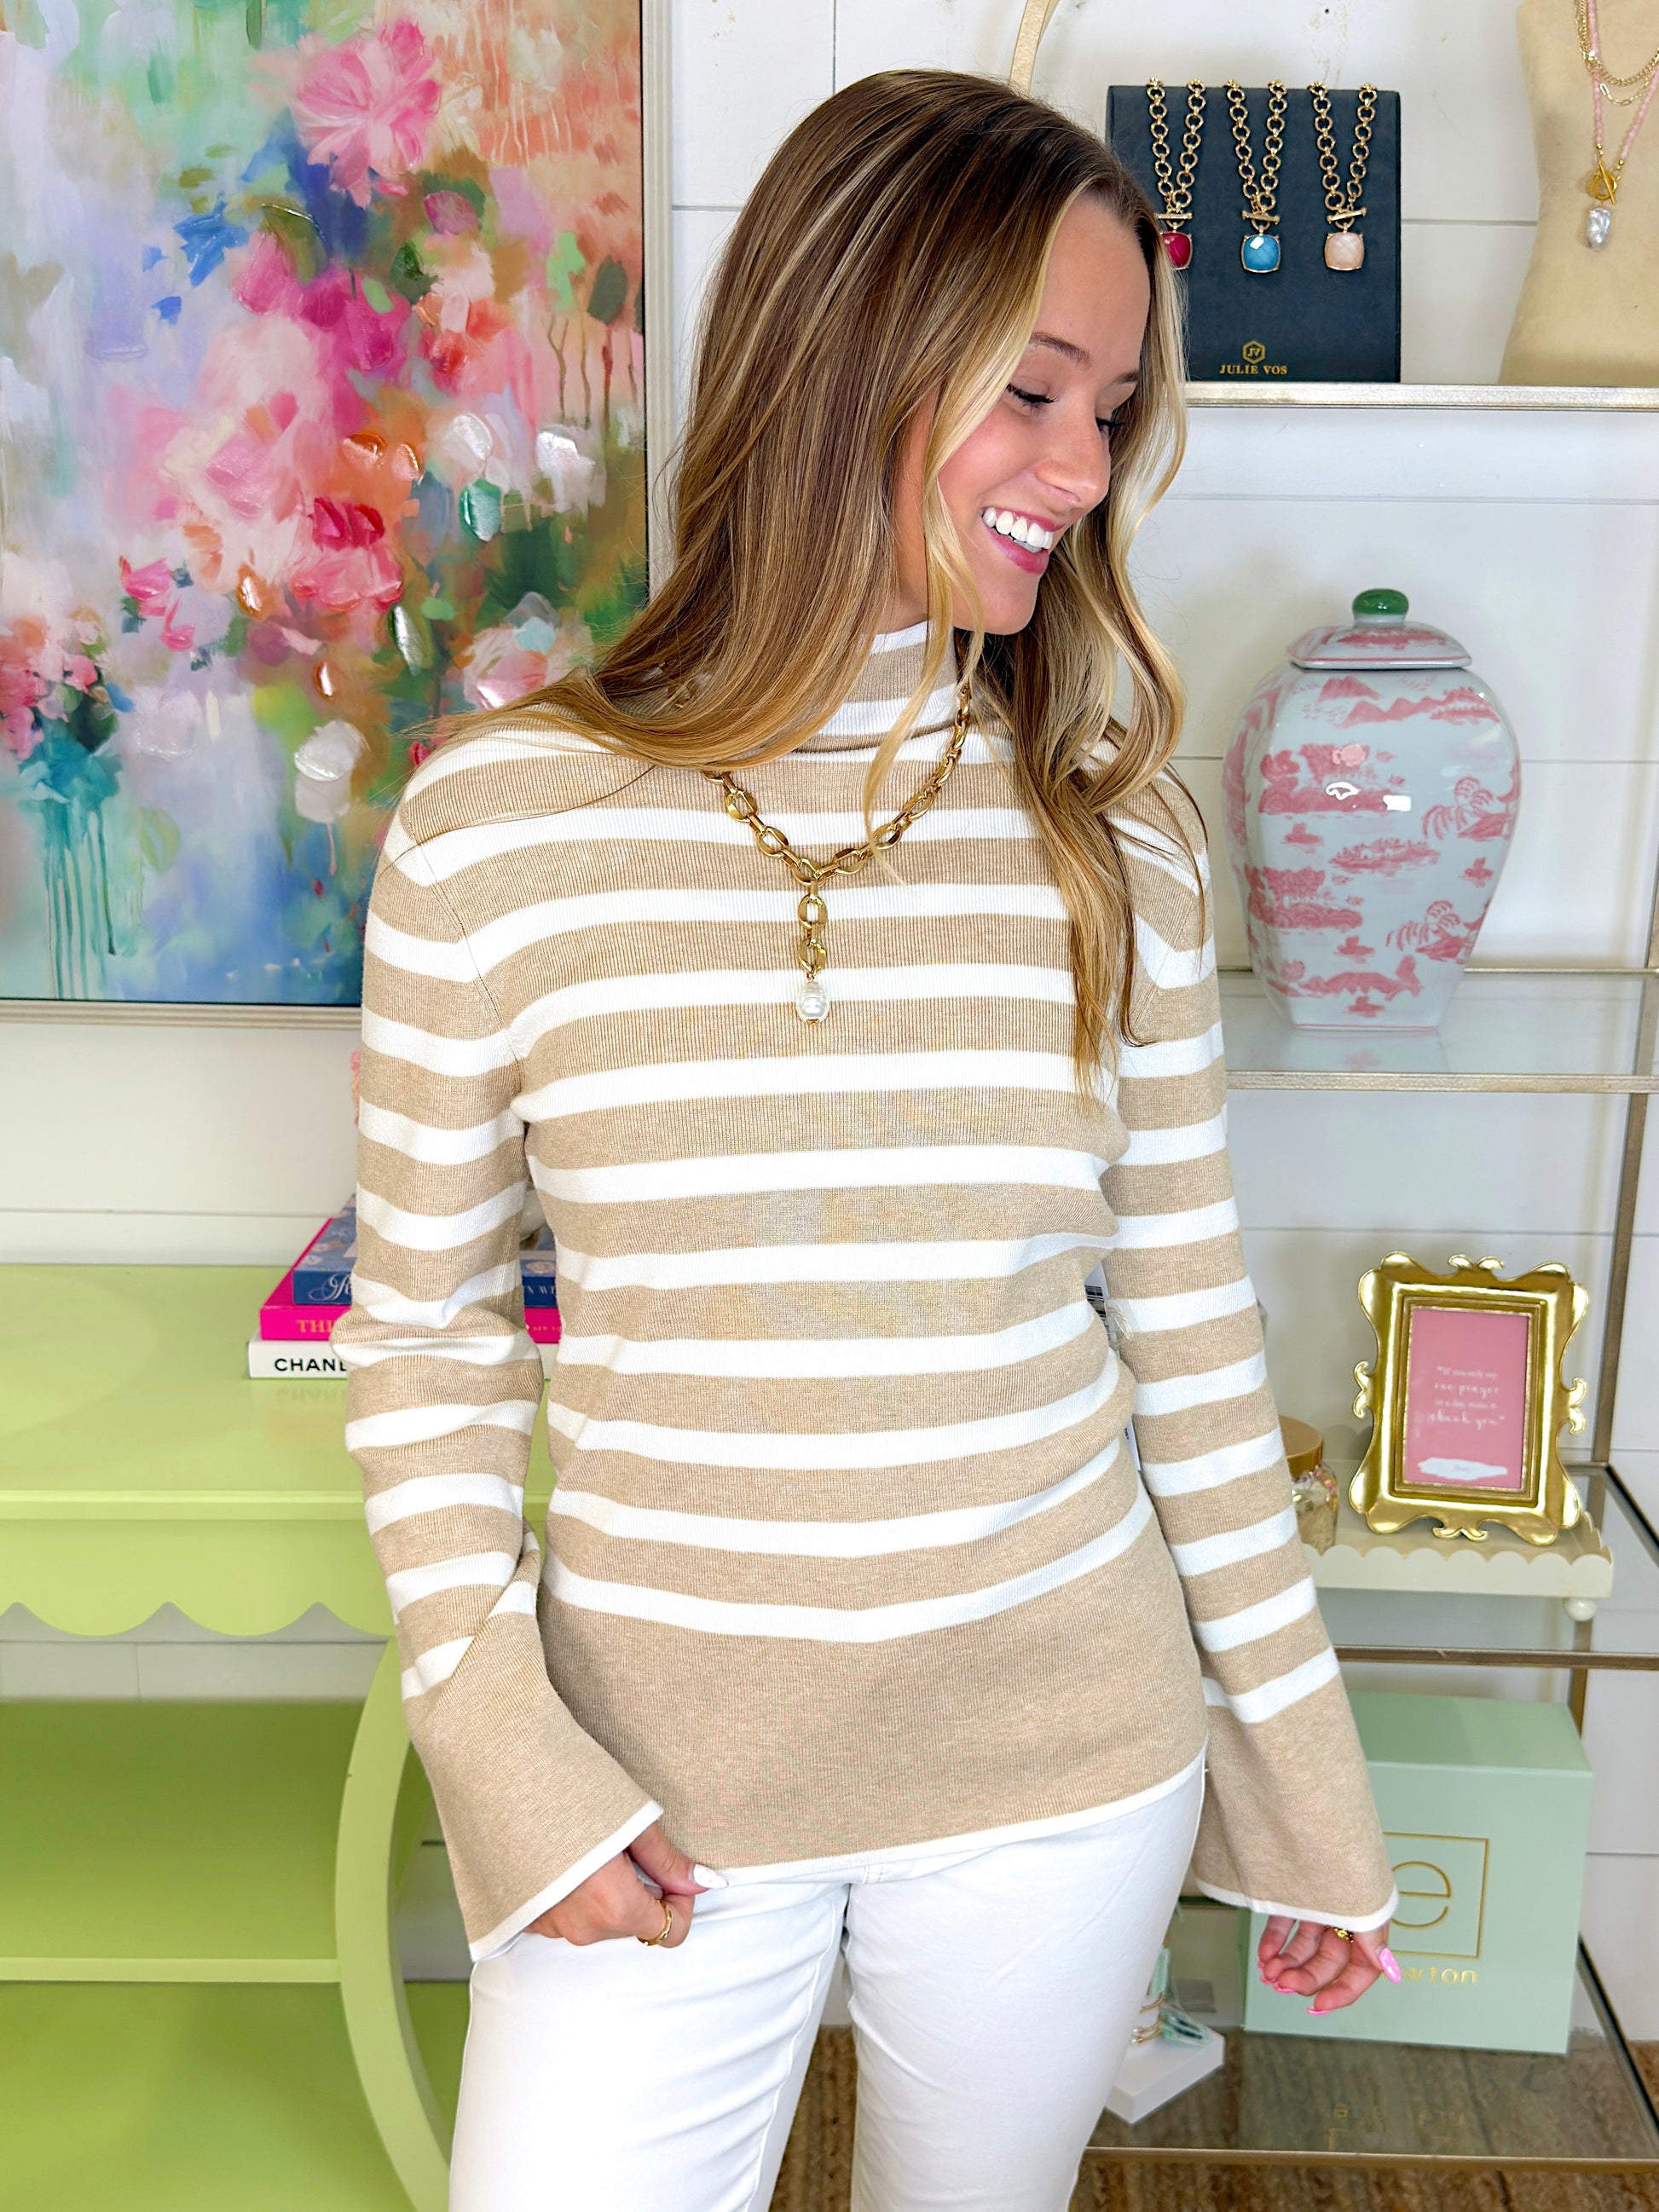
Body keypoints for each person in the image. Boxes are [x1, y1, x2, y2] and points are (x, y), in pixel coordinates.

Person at [338, 68, 1401, 2212]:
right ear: (848, 347)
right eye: (1032, 390)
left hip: (1059, 1764)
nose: (1082, 468)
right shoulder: (496, 830)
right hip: (647, 1778)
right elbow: (425, 1337)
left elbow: (1187, 1341)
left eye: (1112, 410)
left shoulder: (1116, 844)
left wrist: (1303, 1781)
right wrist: (501, 1748)